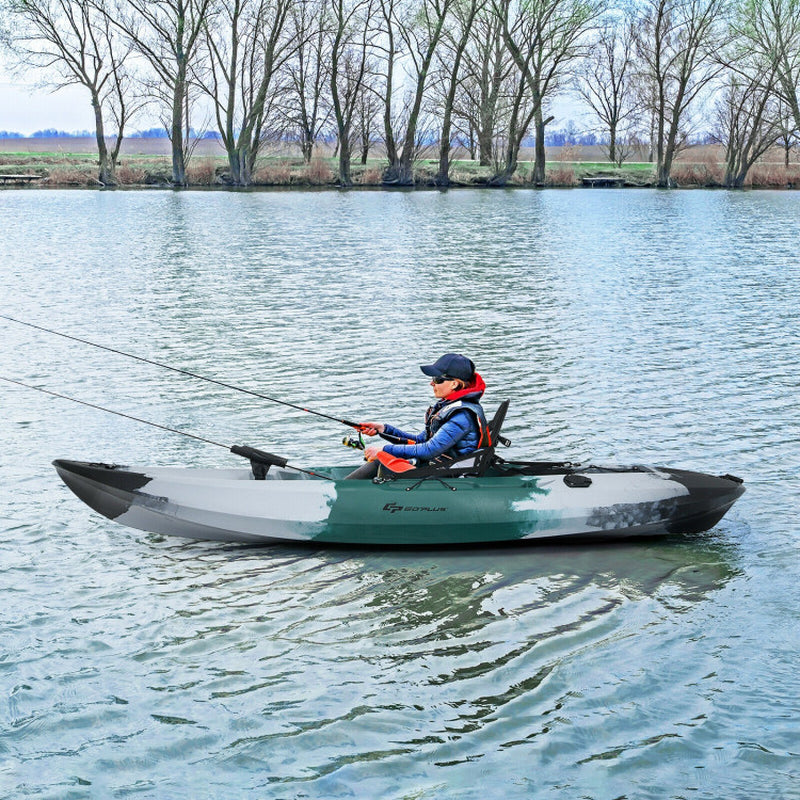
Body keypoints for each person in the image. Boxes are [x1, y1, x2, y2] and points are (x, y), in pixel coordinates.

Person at [346, 353, 489, 479]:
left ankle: (343, 494)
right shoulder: (449, 406)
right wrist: (383, 429)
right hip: (438, 466)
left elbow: (429, 450)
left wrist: (383, 450)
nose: (431, 383)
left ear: (454, 384)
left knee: (384, 462)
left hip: (450, 474)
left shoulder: (462, 415)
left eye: (437, 379)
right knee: (383, 460)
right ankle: (345, 490)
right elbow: (420, 440)